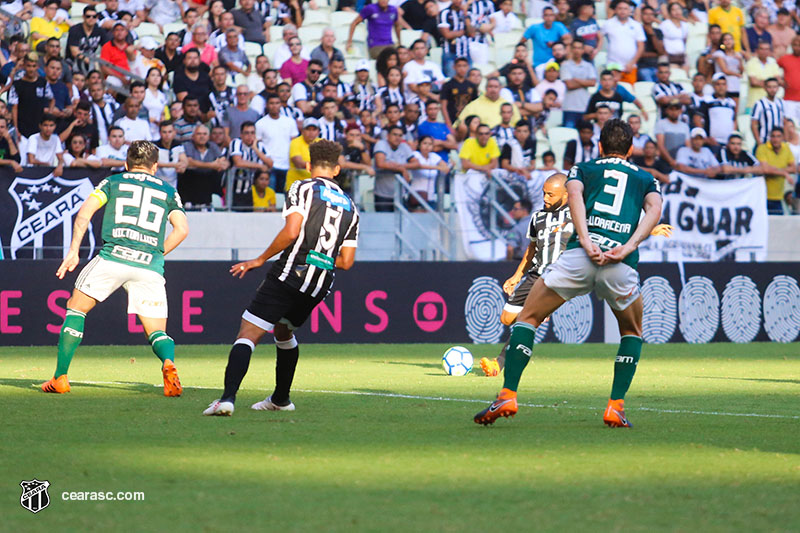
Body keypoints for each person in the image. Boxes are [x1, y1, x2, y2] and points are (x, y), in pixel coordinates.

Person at [473, 119, 663, 429]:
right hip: (619, 262)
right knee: (631, 332)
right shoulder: (645, 178)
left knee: (528, 319)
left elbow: (574, 197)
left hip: (578, 257)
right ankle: (615, 406)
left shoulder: (584, 169)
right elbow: (654, 210)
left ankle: (507, 393)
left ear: (599, 146)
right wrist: (628, 246)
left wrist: (587, 241)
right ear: (631, 149)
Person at [203, 140, 359, 416]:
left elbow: (291, 231)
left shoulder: (302, 187)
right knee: (284, 331)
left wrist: (259, 259)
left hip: (290, 272)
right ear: (337, 169)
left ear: (309, 166)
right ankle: (281, 399)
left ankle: (226, 399)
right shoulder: (351, 207)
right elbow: (346, 262)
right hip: (320, 283)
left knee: (249, 333)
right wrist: (318, 257)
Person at [41, 140, 190, 396]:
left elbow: (84, 213)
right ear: (155, 166)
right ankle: (168, 362)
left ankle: (60, 377)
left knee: (76, 309)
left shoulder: (112, 182)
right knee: (156, 331)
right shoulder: (167, 190)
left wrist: (74, 250)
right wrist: (156, 253)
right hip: (149, 266)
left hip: (112, 258)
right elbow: (182, 230)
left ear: (126, 164)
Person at [255, 94, 298, 193]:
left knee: (285, 199)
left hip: (287, 166)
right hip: (270, 167)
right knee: (271, 198)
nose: (274, 106)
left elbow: (294, 143)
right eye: (271, 103)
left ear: (281, 105)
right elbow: (258, 146)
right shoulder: (260, 124)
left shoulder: (290, 122)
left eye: (277, 103)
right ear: (267, 105)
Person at [180, 124, 229, 207]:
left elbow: (223, 161)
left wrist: (223, 164)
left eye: (204, 134)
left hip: (208, 184)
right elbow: (189, 162)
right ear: (193, 136)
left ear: (208, 136)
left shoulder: (213, 146)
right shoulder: (187, 145)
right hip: (191, 183)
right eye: (199, 134)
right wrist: (212, 165)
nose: (202, 136)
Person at [229, 121, 273, 209]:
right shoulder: (236, 143)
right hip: (234, 187)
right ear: (241, 134)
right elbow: (238, 162)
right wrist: (260, 166)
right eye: (246, 133)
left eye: (252, 133)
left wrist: (255, 149)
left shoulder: (259, 145)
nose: (250, 136)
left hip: (251, 188)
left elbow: (270, 163)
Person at [602, 0, 645, 85]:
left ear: (630, 11)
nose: (622, 11)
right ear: (615, 10)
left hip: (630, 66)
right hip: (612, 65)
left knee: (629, 93)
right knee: (612, 92)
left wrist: (632, 63)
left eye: (625, 9)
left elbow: (641, 46)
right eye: (620, 8)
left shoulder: (636, 25)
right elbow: (599, 38)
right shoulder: (608, 24)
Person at [373, 124, 415, 211]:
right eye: (394, 134)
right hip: (383, 195)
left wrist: (399, 166)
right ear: (388, 136)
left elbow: (416, 163)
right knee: (384, 222)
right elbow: (380, 163)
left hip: (400, 194)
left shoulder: (404, 146)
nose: (397, 137)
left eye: (400, 135)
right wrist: (401, 169)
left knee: (402, 223)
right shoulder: (381, 144)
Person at [756, 127, 796, 214]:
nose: (775, 139)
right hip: (763, 196)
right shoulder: (762, 148)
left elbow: (793, 168)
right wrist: (785, 173)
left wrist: (775, 170)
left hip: (779, 196)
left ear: (782, 138)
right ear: (770, 137)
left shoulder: (786, 148)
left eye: (778, 136)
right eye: (773, 136)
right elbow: (765, 170)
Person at [561, 39, 597, 129]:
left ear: (583, 50)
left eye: (579, 48)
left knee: (585, 135)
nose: (577, 50)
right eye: (575, 48)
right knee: (569, 135)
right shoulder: (565, 65)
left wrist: (576, 79)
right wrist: (585, 82)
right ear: (572, 49)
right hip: (569, 107)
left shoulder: (588, 65)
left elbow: (593, 83)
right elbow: (569, 85)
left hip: (584, 106)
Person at [406, 135, 449, 211]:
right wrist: (437, 167)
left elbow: (445, 167)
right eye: (424, 143)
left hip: (431, 196)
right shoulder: (415, 154)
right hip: (416, 195)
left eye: (430, 144)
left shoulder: (434, 156)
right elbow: (418, 166)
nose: (427, 146)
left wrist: (449, 165)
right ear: (419, 145)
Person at [437, 0, 471, 77]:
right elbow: (447, 35)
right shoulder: (444, 13)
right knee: (451, 79)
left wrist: (465, 14)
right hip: (450, 53)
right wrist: (463, 32)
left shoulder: (467, 14)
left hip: (465, 53)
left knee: (467, 81)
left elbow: (471, 33)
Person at [287, 117, 320, 192]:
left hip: (314, 186)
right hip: (296, 186)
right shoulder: (295, 142)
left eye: (314, 130)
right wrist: (320, 166)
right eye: (308, 129)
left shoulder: (321, 143)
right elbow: (299, 163)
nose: (311, 132)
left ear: (318, 132)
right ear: (302, 131)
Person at [655, 100, 691, 168]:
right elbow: (660, 145)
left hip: (681, 163)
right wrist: (671, 161)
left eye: (676, 109)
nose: (674, 112)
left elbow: (688, 146)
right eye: (671, 109)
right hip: (665, 161)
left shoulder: (685, 126)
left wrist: (683, 162)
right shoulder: (661, 123)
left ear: (680, 111)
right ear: (667, 110)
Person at [751, 78, 785, 147]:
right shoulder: (759, 104)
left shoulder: (781, 103)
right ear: (765, 88)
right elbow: (753, 125)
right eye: (769, 87)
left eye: (775, 87)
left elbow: (785, 122)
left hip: (779, 144)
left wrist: (785, 140)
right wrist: (759, 143)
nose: (772, 89)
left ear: (778, 88)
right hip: (764, 142)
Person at [155, 120, 187, 189]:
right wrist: (173, 165)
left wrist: (183, 167)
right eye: (164, 132)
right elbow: (153, 163)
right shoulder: (154, 146)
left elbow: (184, 160)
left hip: (173, 185)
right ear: (160, 133)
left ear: (174, 133)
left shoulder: (178, 145)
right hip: (157, 184)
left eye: (170, 132)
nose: (167, 135)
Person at [778, 35, 800, 129]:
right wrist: (779, 80)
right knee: (789, 127)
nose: (797, 47)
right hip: (789, 100)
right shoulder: (784, 59)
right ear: (791, 45)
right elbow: (773, 69)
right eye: (795, 45)